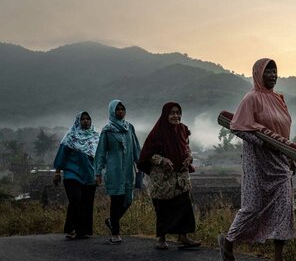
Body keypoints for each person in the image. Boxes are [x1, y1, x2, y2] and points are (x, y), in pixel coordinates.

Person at [218, 58, 296, 261]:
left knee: (284, 207)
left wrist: (289, 156)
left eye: (275, 71)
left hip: (279, 162)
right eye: (268, 71)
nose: (272, 75)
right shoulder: (251, 98)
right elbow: (238, 127)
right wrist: (263, 143)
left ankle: (279, 259)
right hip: (258, 161)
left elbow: (283, 134)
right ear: (258, 74)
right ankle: (229, 240)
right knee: (253, 206)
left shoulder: (279, 99)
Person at [138, 102, 200, 250]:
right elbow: (147, 154)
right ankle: (161, 238)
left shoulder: (183, 130)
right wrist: (162, 160)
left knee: (184, 205)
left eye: (178, 112)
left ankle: (183, 237)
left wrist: (189, 158)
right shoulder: (157, 133)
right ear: (165, 115)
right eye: (172, 113)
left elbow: (187, 148)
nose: (176, 116)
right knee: (163, 207)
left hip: (180, 177)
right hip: (163, 178)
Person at [94, 100, 141, 244]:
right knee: (116, 201)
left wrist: (140, 164)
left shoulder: (129, 128)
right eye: (117, 110)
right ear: (112, 112)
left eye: (122, 109)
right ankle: (115, 234)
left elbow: (135, 148)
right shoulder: (107, 130)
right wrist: (98, 172)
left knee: (128, 200)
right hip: (114, 170)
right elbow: (101, 152)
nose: (120, 112)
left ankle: (111, 221)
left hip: (127, 170)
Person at [53, 111, 99, 239]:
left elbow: (100, 158)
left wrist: (99, 174)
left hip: (89, 175)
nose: (85, 121)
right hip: (72, 174)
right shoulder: (70, 136)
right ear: (78, 121)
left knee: (87, 203)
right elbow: (62, 154)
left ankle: (83, 230)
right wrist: (57, 172)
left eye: (87, 119)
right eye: (82, 119)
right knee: (76, 199)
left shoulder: (96, 137)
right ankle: (71, 228)